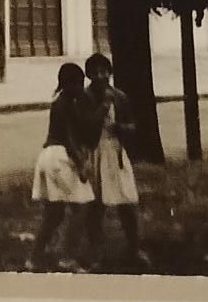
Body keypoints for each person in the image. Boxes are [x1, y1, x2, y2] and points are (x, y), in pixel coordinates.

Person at [27, 62, 97, 272]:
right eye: (78, 83)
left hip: (48, 156)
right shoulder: (64, 104)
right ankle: (66, 255)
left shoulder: (62, 101)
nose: (81, 87)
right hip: (60, 157)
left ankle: (35, 256)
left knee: (54, 213)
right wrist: (81, 164)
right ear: (69, 84)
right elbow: (69, 138)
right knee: (81, 207)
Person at [82, 53, 147, 270]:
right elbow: (85, 127)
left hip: (115, 151)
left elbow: (132, 126)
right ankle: (95, 252)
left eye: (105, 71)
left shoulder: (120, 97)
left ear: (110, 73)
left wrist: (120, 128)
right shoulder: (85, 98)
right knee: (96, 204)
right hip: (94, 151)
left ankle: (134, 248)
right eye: (95, 72)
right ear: (89, 75)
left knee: (127, 201)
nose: (101, 76)